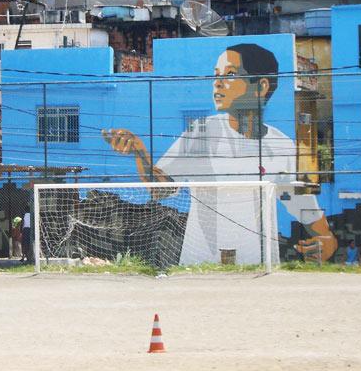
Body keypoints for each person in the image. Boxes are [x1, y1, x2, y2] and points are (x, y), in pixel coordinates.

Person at [103, 44, 337, 264]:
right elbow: (161, 189)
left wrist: (326, 238)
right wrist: (140, 153)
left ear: (261, 86)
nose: (217, 83)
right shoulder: (201, 132)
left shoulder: (280, 145)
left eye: (230, 74)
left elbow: (295, 198)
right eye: (216, 75)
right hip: (201, 262)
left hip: (257, 263)